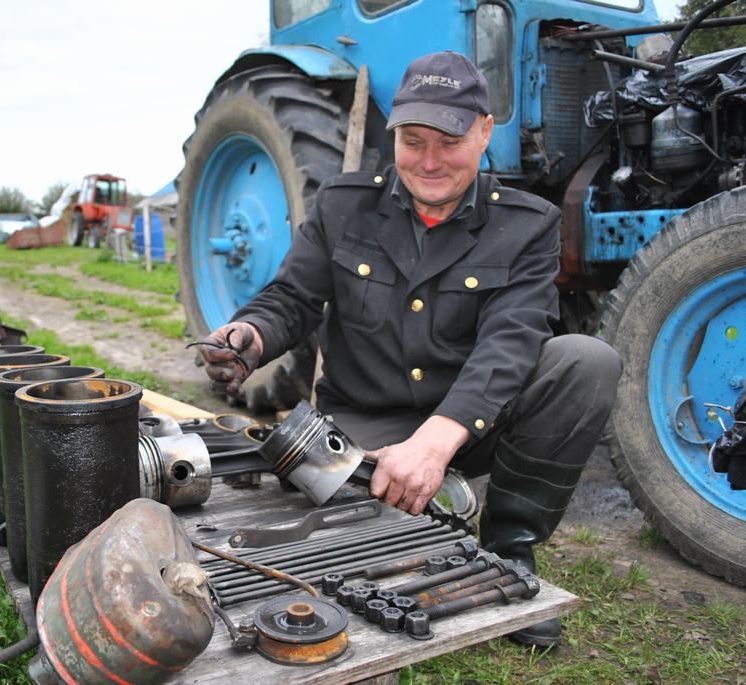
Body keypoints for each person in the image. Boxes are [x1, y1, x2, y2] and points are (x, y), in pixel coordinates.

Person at [197, 51, 622, 647]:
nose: (428, 162)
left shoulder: (527, 225)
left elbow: (511, 340)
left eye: (447, 142)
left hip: (470, 427)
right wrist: (249, 336)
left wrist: (434, 443)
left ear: (483, 132)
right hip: (359, 432)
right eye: (413, 141)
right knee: (332, 550)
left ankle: (509, 552)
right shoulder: (345, 206)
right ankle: (409, 526)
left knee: (586, 361)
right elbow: (291, 297)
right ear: (393, 134)